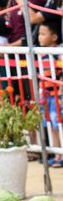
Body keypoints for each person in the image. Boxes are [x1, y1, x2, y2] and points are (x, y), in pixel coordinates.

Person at [37, 19, 63, 166]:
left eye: (43, 34)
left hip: (56, 95)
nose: (40, 37)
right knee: (51, 125)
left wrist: (60, 94)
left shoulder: (58, 53)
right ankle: (57, 153)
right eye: (39, 34)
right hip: (46, 95)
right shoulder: (41, 54)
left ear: (54, 37)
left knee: (58, 124)